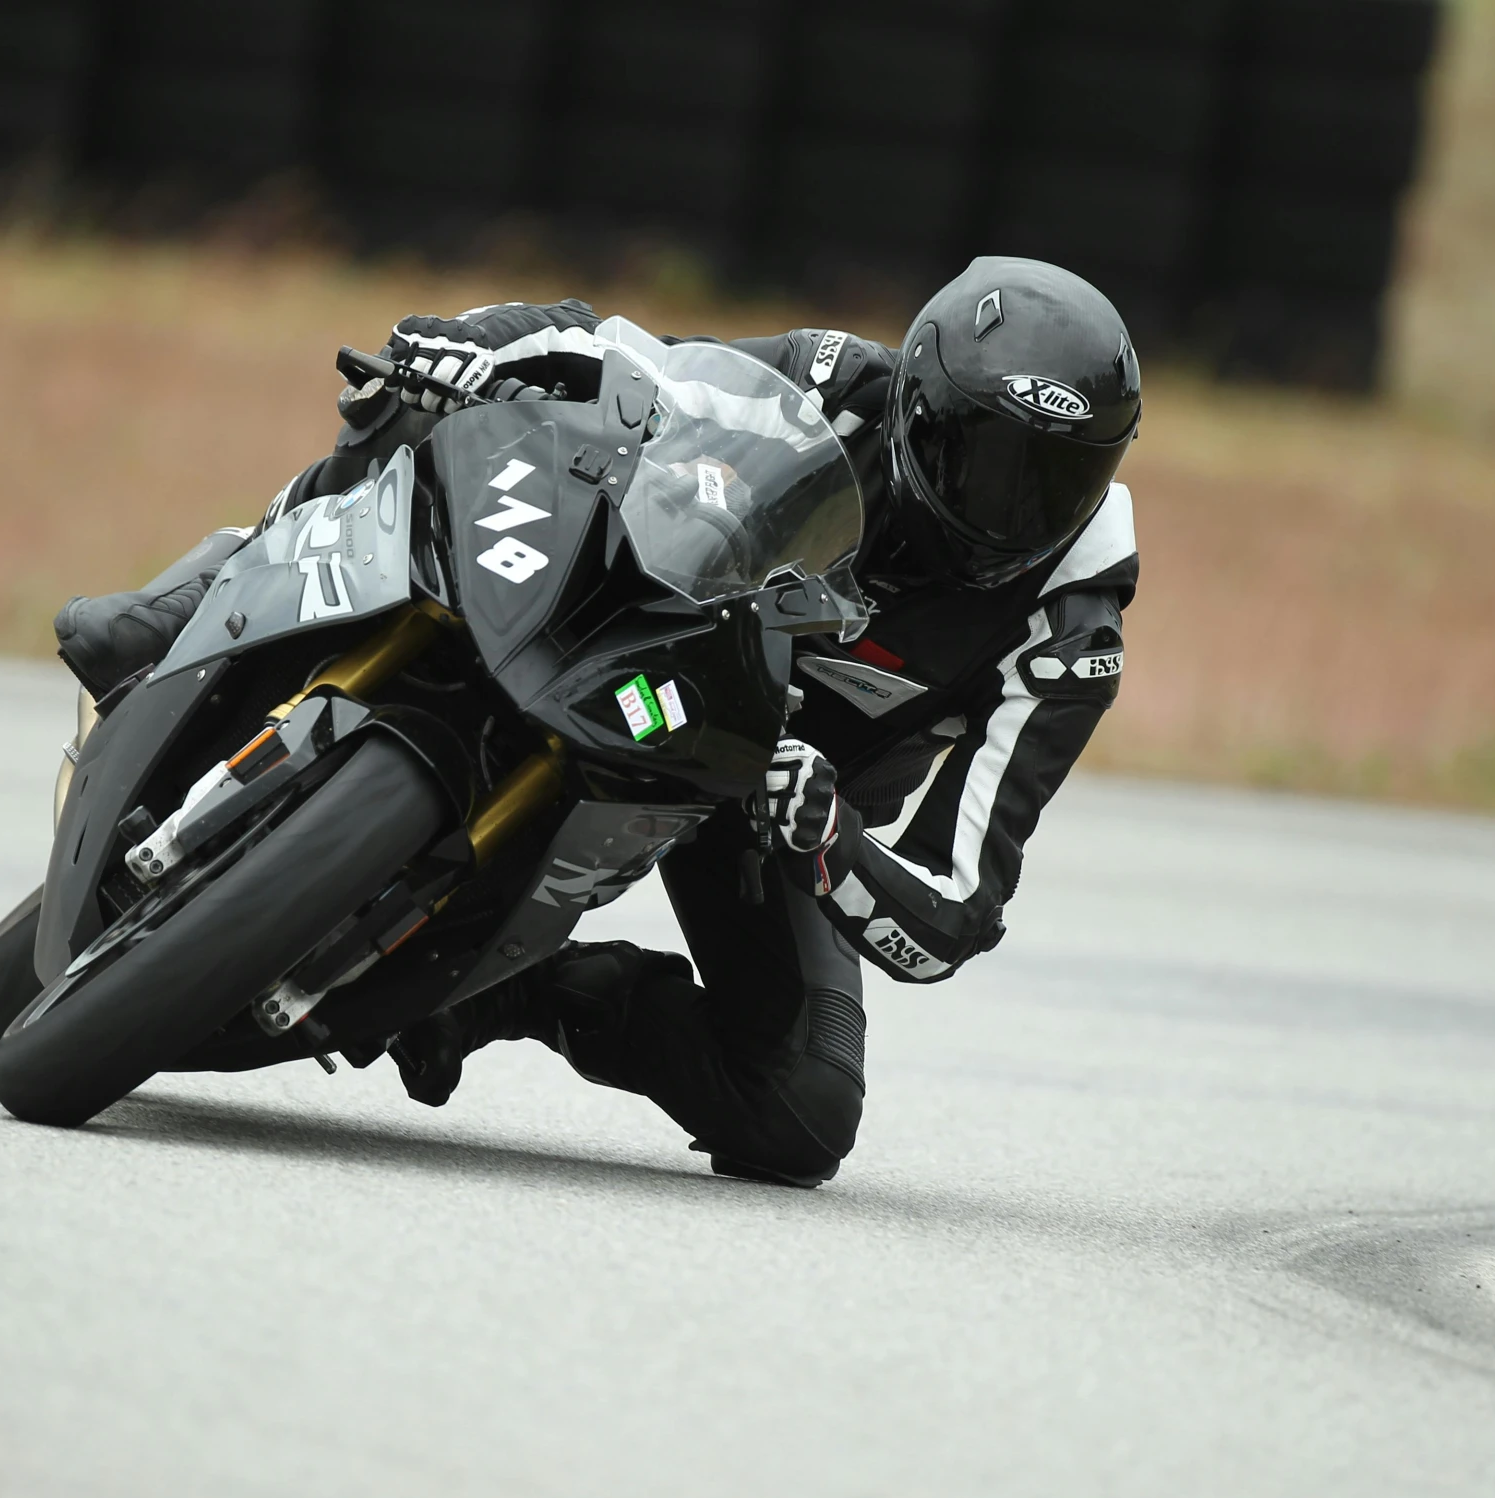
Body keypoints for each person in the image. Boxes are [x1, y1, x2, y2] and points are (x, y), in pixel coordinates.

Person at [56, 257, 1142, 1187]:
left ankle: (504, 992)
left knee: (804, 1112)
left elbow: (954, 906)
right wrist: (471, 344)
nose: (1017, 509)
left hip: (774, 802)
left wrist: (829, 837)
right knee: (410, 407)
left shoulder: (1070, 622)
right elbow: (630, 357)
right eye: (989, 461)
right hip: (661, 639)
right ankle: (177, 610)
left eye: (1059, 481)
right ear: (918, 403)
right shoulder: (833, 386)